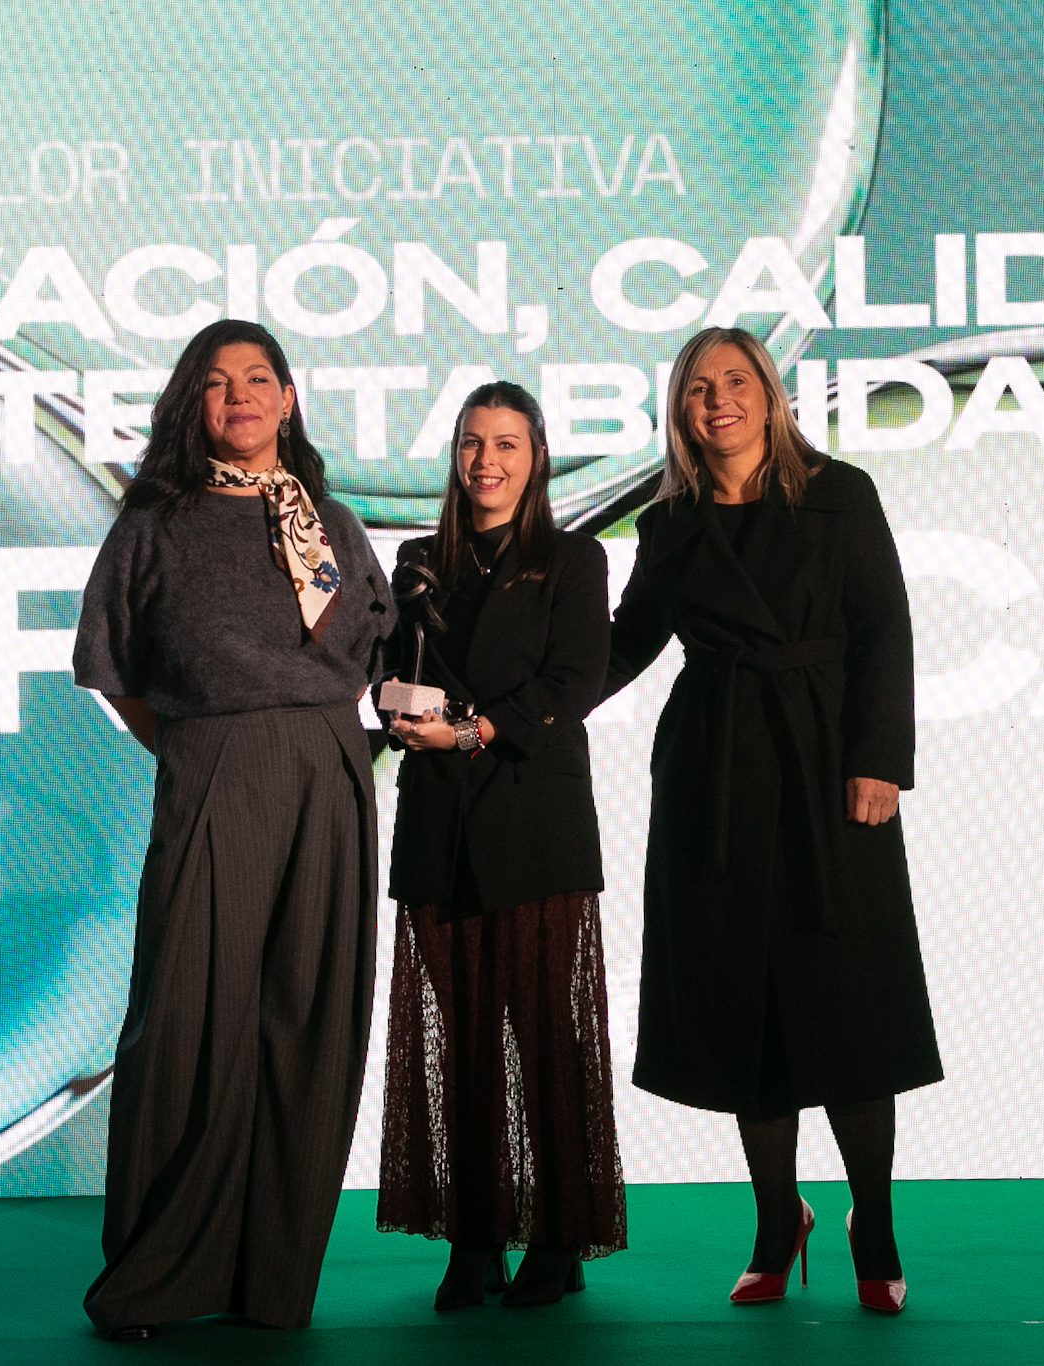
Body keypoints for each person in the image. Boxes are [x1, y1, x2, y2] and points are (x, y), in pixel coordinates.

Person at [604, 327, 943, 1315]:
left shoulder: (840, 493)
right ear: (680, 410)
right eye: (698, 387)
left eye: (736, 380)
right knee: (738, 1001)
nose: (719, 399)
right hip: (712, 778)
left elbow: (883, 626)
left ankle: (873, 1221)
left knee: (848, 996)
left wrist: (878, 758)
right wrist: (509, 705)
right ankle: (773, 1219)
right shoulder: (669, 524)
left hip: (828, 764)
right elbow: (622, 647)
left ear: (769, 393)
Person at [72, 318, 393, 1337]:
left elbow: (377, 653)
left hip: (330, 770)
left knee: (310, 1018)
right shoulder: (156, 521)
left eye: (259, 378)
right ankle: (156, 1276)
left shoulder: (330, 521)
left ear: (288, 400)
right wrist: (196, 748)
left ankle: (272, 1278)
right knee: (186, 1017)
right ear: (192, 404)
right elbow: (112, 665)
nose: (240, 395)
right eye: (217, 382)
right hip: (215, 764)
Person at [375, 381, 625, 1310]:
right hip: (438, 828)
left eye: (507, 443)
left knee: (546, 1037)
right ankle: (472, 1241)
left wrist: (474, 731)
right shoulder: (416, 562)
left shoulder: (574, 559)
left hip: (533, 825)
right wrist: (399, 710)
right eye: (473, 443)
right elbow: (389, 676)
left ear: (538, 457)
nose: (487, 461)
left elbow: (577, 679)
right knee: (463, 1045)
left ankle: (559, 1238)